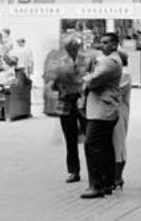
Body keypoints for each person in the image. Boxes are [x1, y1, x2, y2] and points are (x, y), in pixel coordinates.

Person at [80, 31, 122, 199]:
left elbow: (93, 80)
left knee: (92, 146)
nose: (101, 46)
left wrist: (86, 77)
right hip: (104, 110)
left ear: (114, 44)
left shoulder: (110, 62)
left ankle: (96, 185)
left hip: (101, 111)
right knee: (104, 146)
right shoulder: (110, 60)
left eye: (106, 43)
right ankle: (107, 182)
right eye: (101, 42)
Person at [46, 37, 88, 184]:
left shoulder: (87, 60)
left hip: (84, 102)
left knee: (89, 138)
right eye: (69, 46)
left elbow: (91, 78)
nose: (72, 48)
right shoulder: (59, 62)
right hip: (66, 102)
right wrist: (55, 83)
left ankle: (94, 170)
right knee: (70, 140)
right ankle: (73, 171)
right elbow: (50, 83)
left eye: (75, 46)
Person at [113, 51, 132, 190]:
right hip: (110, 112)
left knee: (118, 144)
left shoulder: (124, 74)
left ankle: (118, 176)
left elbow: (114, 90)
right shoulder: (116, 73)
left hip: (119, 112)